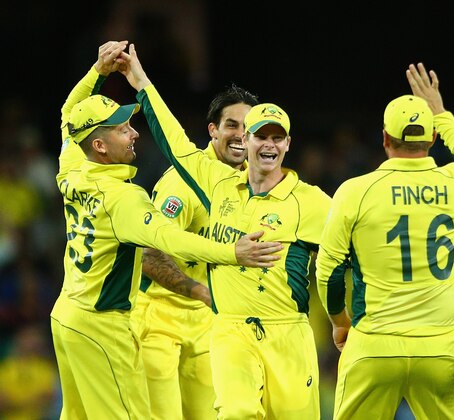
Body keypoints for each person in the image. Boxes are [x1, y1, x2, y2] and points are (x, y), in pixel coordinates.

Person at [51, 40, 283, 419]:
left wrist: (97, 73)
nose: (134, 133)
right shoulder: (124, 199)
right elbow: (165, 241)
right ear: (100, 144)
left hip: (70, 313)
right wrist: (232, 254)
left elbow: (67, 117)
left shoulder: (73, 167)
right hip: (110, 321)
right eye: (123, 129)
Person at [120, 43, 331, 419]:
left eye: (275, 137)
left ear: (287, 144)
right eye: (252, 133)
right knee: (233, 413)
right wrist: (138, 78)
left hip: (255, 328)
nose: (264, 143)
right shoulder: (211, 183)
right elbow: (173, 143)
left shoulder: (309, 200)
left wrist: (347, 319)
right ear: (238, 138)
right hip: (185, 323)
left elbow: (349, 250)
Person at [315, 62, 454, 419]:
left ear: (384, 139)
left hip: (375, 345)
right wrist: (440, 112)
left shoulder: (355, 191)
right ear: (433, 140)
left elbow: (328, 272)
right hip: (441, 347)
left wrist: (339, 323)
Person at [131, 84, 259, 420]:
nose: (240, 135)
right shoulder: (182, 184)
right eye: (232, 125)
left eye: (249, 128)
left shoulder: (250, 183)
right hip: (158, 319)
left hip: (207, 324)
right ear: (213, 130)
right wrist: (202, 292)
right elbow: (151, 256)